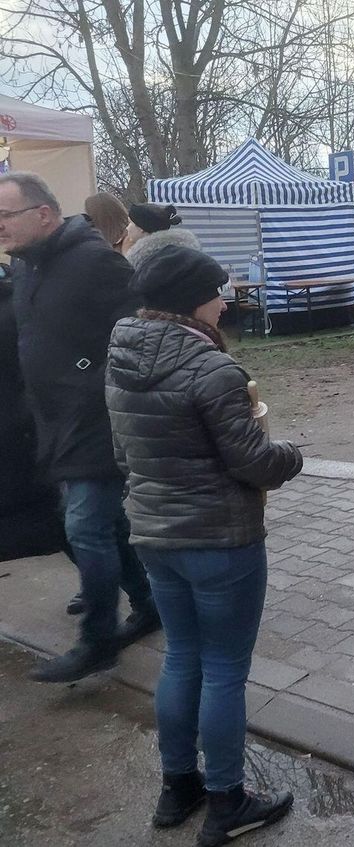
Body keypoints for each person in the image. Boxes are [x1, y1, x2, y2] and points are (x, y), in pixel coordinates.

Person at [105, 244, 303, 845]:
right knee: (222, 671)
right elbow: (253, 463)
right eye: (218, 290)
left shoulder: (121, 357)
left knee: (182, 658)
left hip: (155, 536)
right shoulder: (213, 369)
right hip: (221, 542)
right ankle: (226, 802)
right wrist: (291, 456)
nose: (225, 300)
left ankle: (178, 786)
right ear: (193, 299)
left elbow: (123, 455)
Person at [0, 172, 159, 683]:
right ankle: (150, 602)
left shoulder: (95, 262)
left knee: (84, 526)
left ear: (43, 214)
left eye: (6, 216)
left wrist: (94, 384)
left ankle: (98, 639)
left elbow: (137, 333)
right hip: (52, 424)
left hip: (97, 420)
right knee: (106, 525)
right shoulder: (25, 270)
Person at [0, 265, 70, 562]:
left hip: (22, 419)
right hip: (24, 417)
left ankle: (127, 592)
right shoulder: (17, 292)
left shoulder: (15, 303)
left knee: (63, 516)